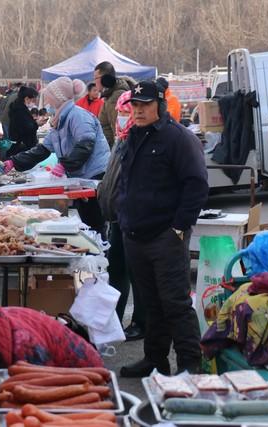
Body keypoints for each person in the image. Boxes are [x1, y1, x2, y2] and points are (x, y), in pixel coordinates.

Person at [117, 80, 208, 377]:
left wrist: (180, 228)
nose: (139, 110)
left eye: (145, 105)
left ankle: (190, 364)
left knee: (176, 304)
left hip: (165, 236)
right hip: (135, 234)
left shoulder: (178, 138)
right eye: (135, 105)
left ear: (159, 104)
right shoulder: (133, 135)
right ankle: (155, 360)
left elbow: (196, 184)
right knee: (150, 303)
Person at [4, 77, 110, 236]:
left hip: (95, 175)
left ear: (58, 98)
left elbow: (86, 143)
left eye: (49, 98)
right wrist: (14, 162)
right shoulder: (58, 121)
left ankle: (100, 253)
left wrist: (64, 165)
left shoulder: (78, 116)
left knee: (94, 221)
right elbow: (43, 149)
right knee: (85, 219)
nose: (46, 102)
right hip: (80, 176)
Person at [101, 90, 146, 341]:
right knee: (117, 269)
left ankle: (140, 322)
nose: (120, 117)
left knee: (135, 272)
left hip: (131, 218)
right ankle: (114, 320)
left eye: (124, 113)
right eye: (119, 112)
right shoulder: (122, 138)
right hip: (117, 217)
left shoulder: (138, 141)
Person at [94, 61, 135, 147]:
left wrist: (114, 154)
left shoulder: (116, 97)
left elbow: (117, 131)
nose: (94, 82)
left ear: (104, 79)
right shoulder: (109, 95)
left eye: (95, 78)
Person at [7, 86, 43, 157]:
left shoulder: (17, 107)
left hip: (18, 142)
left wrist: (33, 121)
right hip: (22, 144)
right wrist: (36, 124)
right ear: (26, 98)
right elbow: (26, 127)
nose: (33, 103)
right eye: (33, 100)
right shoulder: (20, 110)